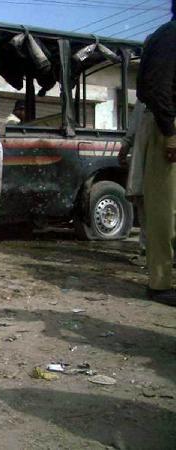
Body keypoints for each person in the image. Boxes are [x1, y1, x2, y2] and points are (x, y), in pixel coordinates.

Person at [136, 5, 176, 305]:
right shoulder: (169, 37)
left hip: (167, 123)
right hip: (168, 126)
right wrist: (170, 131)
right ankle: (160, 284)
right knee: (165, 212)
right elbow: (156, 88)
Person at [118, 100, 147, 258]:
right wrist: (125, 147)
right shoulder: (143, 101)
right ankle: (146, 249)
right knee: (144, 203)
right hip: (144, 156)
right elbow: (133, 130)